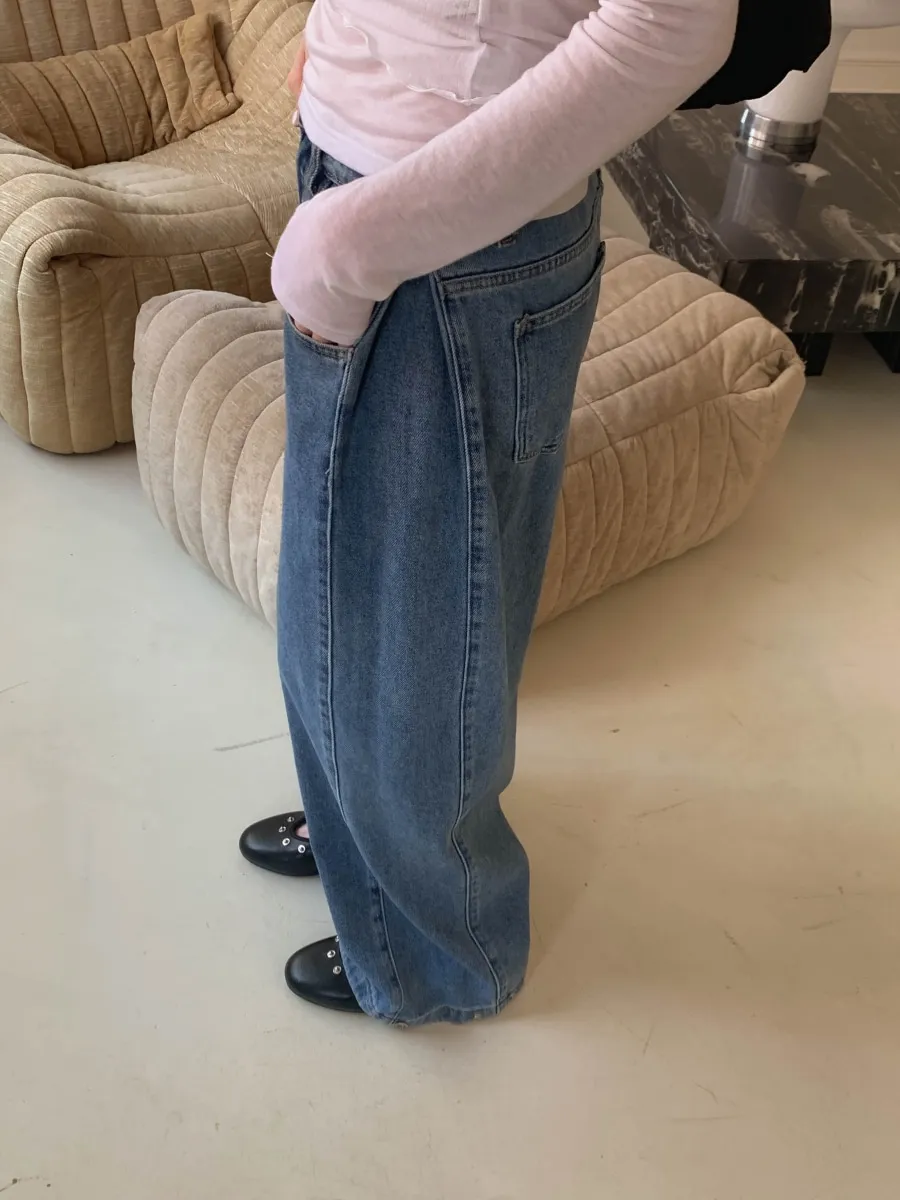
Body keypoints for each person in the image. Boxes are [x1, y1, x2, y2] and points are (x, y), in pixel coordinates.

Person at [238, 0, 738, 1026]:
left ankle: (437, 950)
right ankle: (364, 829)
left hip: (443, 240)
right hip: (385, 190)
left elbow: (674, 23)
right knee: (348, 586)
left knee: (418, 635)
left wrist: (352, 240)